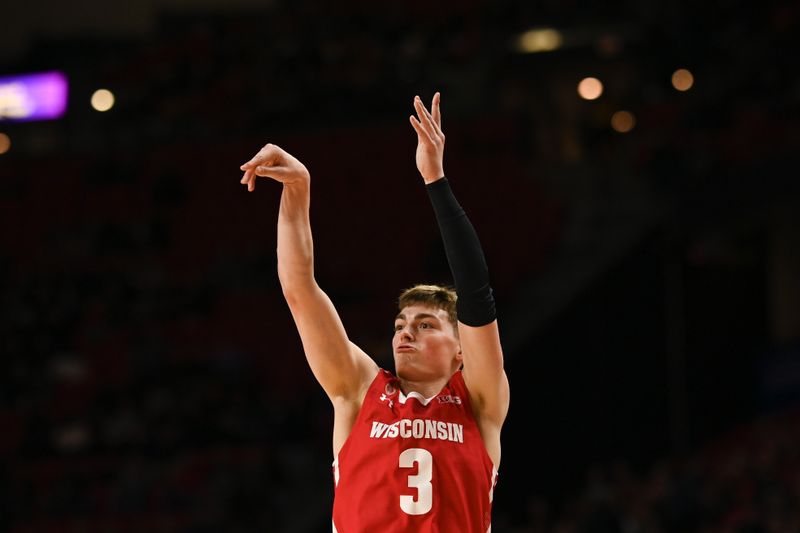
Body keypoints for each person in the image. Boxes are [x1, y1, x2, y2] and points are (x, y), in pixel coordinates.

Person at [239, 92, 510, 532]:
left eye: (425, 325)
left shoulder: (479, 402)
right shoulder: (359, 388)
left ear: (461, 350)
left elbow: (477, 294)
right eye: (401, 324)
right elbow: (300, 291)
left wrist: (435, 179)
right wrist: (297, 191)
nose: (406, 333)